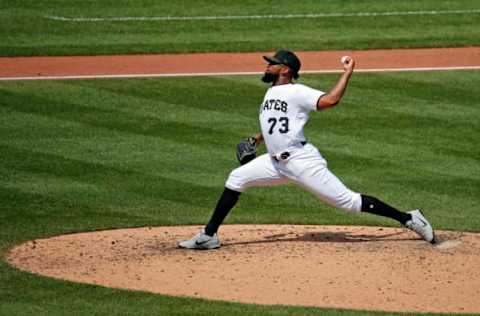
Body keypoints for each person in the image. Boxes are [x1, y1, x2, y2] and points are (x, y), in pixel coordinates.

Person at [179, 50, 436, 249]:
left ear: (286, 70)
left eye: (273, 62)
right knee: (236, 178)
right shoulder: (271, 93)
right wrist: (257, 139)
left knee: (348, 201)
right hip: (275, 162)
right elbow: (277, 126)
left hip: (301, 161)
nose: (267, 65)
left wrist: (347, 73)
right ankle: (208, 236)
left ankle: (408, 218)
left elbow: (330, 101)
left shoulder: (297, 91)